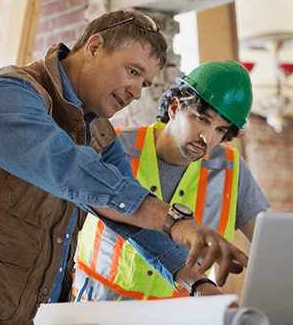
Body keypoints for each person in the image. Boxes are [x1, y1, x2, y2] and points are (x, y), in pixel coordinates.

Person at [0, 9, 248, 325]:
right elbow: (69, 167)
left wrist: (198, 283)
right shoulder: (5, 95)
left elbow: (130, 214)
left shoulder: (99, 131)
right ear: (94, 47)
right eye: (132, 72)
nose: (136, 92)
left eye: (145, 82)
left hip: (29, 315)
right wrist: (175, 220)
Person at [73, 60, 271, 302]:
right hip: (98, 308)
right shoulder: (115, 147)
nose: (206, 138)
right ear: (175, 107)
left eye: (220, 130)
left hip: (178, 314)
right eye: (202, 119)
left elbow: (270, 241)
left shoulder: (231, 169)